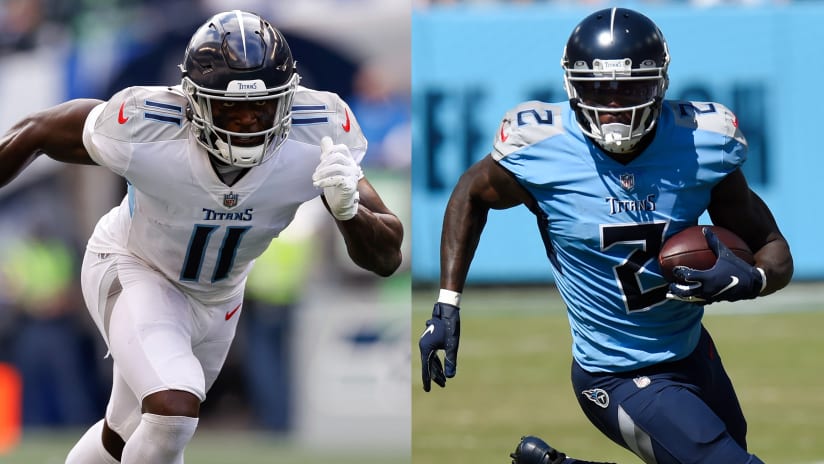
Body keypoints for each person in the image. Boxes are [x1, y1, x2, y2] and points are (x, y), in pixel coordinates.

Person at [0, 10, 403, 464]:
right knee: (173, 410)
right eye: (231, 107)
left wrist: (347, 210)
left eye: (262, 106)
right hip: (135, 264)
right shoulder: (147, 124)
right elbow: (36, 131)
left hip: (219, 299)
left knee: (125, 434)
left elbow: (386, 257)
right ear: (191, 101)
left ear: (288, 99)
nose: (248, 122)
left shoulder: (320, 134)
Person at [418, 7, 792, 464]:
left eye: (630, 87)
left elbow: (774, 250)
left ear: (660, 83)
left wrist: (750, 279)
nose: (615, 104)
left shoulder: (703, 144)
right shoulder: (540, 148)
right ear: (573, 86)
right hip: (615, 374)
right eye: (599, 89)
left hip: (693, 353)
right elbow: (469, 196)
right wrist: (447, 304)